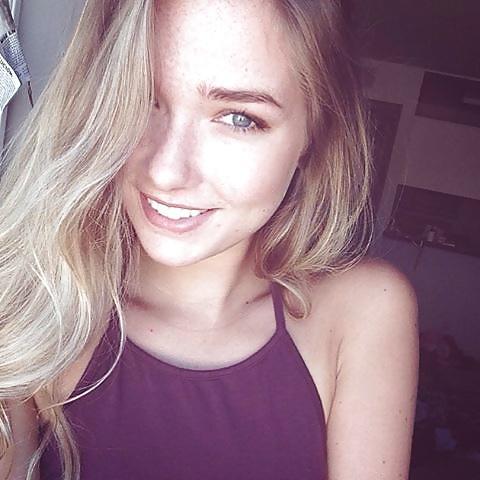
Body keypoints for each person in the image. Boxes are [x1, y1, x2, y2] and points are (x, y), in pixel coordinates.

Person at [0, 0, 419, 479]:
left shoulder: (362, 310)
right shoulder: (41, 311)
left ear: (313, 136)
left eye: (239, 118)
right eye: (141, 97)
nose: (165, 171)